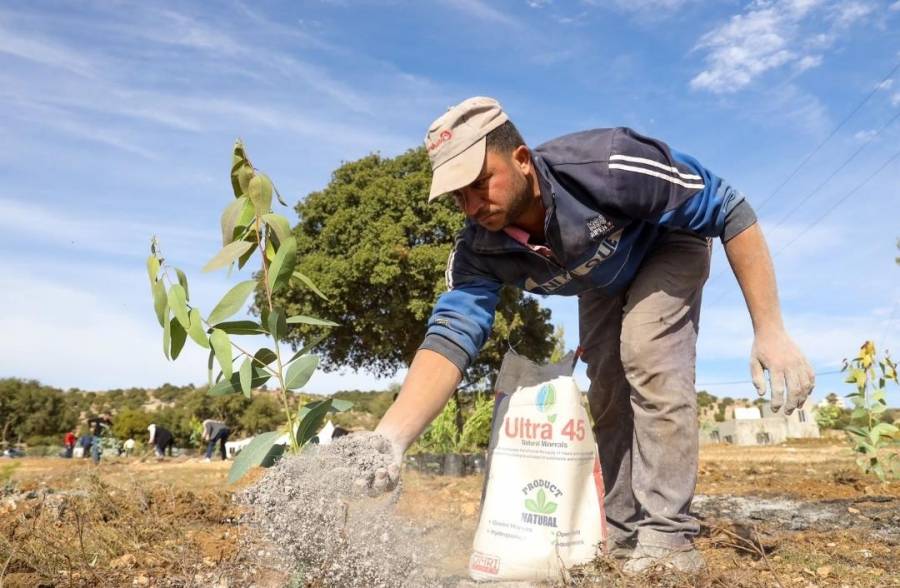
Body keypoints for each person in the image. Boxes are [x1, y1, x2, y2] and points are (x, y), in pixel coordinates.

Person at [367, 97, 815, 573]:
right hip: (599, 277)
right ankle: (621, 533)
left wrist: (770, 330)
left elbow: (729, 207)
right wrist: (389, 439)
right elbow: (450, 335)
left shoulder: (606, 166)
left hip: (667, 243)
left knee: (647, 352)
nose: (472, 206)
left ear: (521, 159)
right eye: (458, 196)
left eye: (480, 183)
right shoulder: (479, 250)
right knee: (606, 387)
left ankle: (668, 539)